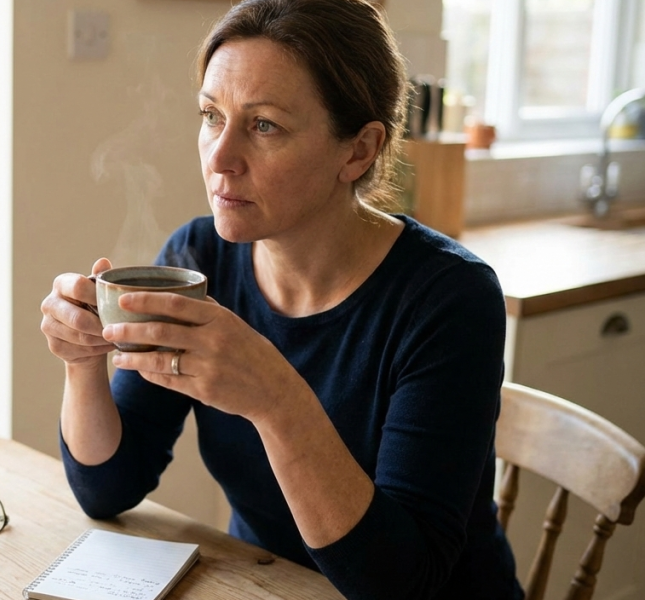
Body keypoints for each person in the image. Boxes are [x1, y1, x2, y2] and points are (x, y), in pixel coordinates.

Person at [38, 0, 523, 597]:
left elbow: (402, 582)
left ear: (359, 150)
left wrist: (276, 401)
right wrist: (83, 362)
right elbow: (107, 489)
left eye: (264, 125)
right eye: (211, 115)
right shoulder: (199, 259)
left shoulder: (449, 299)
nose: (220, 158)